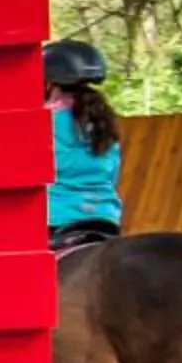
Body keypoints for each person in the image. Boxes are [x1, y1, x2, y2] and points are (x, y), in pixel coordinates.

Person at [43, 37, 123, 250]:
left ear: (49, 83)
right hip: (106, 217)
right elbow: (112, 176)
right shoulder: (104, 123)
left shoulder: (42, 121)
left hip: (54, 218)